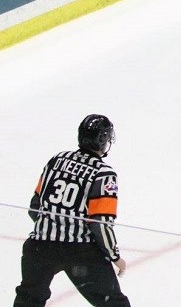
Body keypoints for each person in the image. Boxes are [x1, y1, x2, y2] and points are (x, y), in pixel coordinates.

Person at [14, 114, 130, 307]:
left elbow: (35, 206)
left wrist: (52, 230)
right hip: (81, 253)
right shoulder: (104, 174)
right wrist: (115, 256)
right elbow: (100, 224)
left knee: (29, 300)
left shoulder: (57, 160)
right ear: (103, 140)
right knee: (114, 304)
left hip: (39, 248)